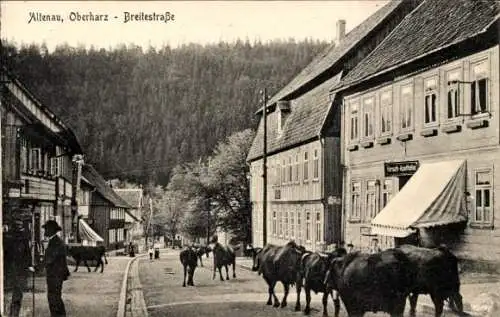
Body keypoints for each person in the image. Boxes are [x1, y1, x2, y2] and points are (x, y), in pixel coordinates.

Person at [6, 218, 35, 317]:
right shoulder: (11, 238)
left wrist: (30, 265)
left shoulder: (22, 238)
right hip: (14, 269)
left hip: (19, 269)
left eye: (21, 225)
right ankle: (13, 313)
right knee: (16, 293)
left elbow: (27, 253)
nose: (20, 227)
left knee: (18, 293)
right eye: (18, 226)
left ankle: (14, 313)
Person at [42, 220, 70, 317]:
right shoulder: (55, 241)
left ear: (51, 230)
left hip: (55, 275)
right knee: (55, 298)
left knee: (53, 298)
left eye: (46, 229)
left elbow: (50, 259)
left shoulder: (56, 242)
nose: (44, 231)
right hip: (56, 275)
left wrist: (37, 267)